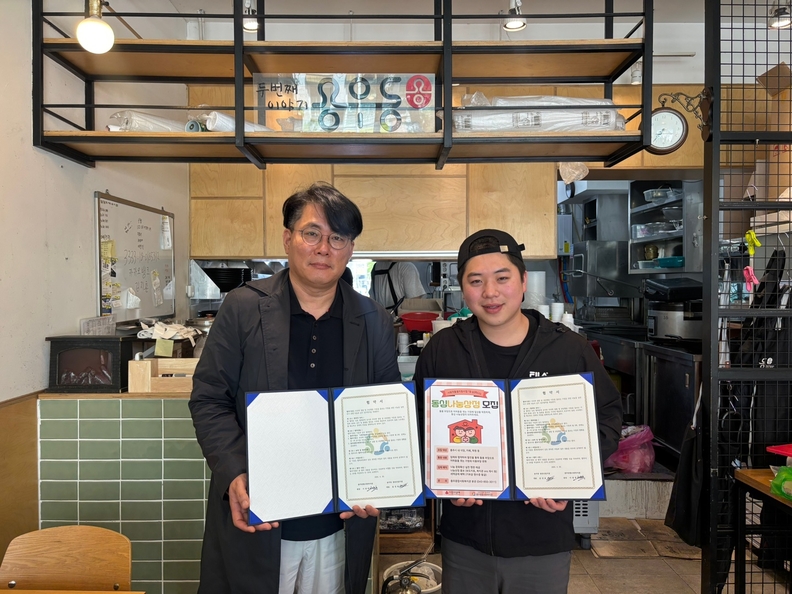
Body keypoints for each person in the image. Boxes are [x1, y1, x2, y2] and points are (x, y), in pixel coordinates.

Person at [189, 182, 400, 594]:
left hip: (339, 524)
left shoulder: (373, 319)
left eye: (337, 238)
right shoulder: (243, 307)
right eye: (311, 233)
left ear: (350, 249)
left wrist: (381, 479)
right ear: (288, 239)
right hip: (262, 515)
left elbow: (385, 410)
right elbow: (210, 398)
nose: (324, 248)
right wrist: (233, 470)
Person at [414, 229, 622, 594]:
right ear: (463, 288)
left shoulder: (568, 350)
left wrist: (569, 476)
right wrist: (442, 479)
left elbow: (607, 418)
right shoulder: (443, 349)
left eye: (502, 278)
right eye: (476, 281)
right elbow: (419, 427)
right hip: (465, 540)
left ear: (523, 281)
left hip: (543, 539)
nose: (490, 293)